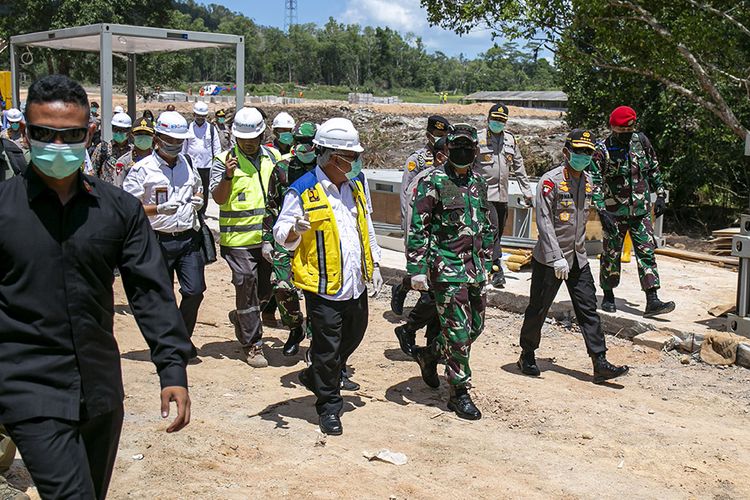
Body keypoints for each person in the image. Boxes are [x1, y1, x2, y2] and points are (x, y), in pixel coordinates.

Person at [0, 74, 191, 500]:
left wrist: (172, 367)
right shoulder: (3, 210)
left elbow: (150, 291)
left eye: (68, 135)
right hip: (28, 388)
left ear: (88, 133)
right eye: (43, 133)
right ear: (25, 133)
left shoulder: (118, 211)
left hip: (100, 388)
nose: (55, 144)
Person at [274, 117, 383, 435]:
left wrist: (374, 264)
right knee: (327, 345)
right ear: (334, 157)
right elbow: (281, 232)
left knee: (355, 332)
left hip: (353, 280)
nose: (356, 162)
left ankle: (317, 373)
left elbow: (367, 226)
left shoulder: (357, 184)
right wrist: (295, 228)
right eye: (352, 156)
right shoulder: (303, 189)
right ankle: (329, 406)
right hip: (322, 284)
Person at [517, 129, 629, 384]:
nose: (583, 156)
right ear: (566, 151)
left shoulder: (588, 181)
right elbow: (544, 221)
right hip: (550, 259)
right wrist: (556, 256)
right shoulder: (550, 181)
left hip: (578, 258)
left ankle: (599, 362)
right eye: (578, 151)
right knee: (538, 308)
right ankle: (527, 353)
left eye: (588, 152)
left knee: (588, 309)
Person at [407, 123, 492, 421]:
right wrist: (417, 269)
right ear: (447, 148)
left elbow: (486, 225)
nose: (463, 152)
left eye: (468, 148)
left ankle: (429, 354)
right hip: (447, 268)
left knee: (474, 329)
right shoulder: (433, 181)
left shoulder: (479, 183)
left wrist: (491, 261)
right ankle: (459, 392)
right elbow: (419, 226)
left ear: (475, 151)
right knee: (457, 333)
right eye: (457, 147)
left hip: (476, 270)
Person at [123, 111, 205, 359]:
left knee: (194, 291)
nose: (175, 145)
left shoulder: (188, 164)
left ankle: (181, 336)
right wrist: (156, 209)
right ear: (157, 138)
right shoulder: (142, 169)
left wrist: (198, 201)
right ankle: (172, 343)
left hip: (188, 238)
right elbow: (128, 207)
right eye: (170, 139)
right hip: (156, 239)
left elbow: (198, 189)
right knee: (162, 296)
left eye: (179, 141)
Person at [591, 106, 675, 317]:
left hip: (640, 210)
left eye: (629, 131)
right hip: (614, 213)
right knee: (611, 254)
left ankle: (652, 300)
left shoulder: (641, 142)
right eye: (622, 132)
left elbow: (654, 168)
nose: (626, 136)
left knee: (646, 252)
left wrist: (661, 194)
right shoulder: (603, 150)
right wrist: (602, 212)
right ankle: (608, 294)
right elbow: (596, 182)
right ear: (612, 128)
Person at [210, 107, 278, 368]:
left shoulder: (273, 157)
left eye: (252, 140)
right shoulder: (223, 160)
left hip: (267, 239)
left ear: (262, 136)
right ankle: (253, 344)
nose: (248, 145)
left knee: (267, 288)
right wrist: (228, 175)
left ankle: (242, 317)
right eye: (243, 140)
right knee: (246, 283)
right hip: (237, 242)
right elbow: (219, 198)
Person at [262, 122, 318, 358]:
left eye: (308, 144)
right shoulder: (282, 168)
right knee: (282, 285)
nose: (303, 148)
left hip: (316, 241)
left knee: (317, 292)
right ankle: (295, 327)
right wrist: (267, 240)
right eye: (298, 143)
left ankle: (317, 342)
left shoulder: (326, 171)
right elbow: (271, 206)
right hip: (287, 237)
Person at [393, 134, 449, 358]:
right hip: (429, 250)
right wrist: (415, 252)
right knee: (432, 296)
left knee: (440, 300)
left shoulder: (455, 179)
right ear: (439, 156)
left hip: (448, 252)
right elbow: (412, 218)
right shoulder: (424, 179)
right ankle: (408, 329)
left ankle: (432, 346)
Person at [475, 103, 533, 289]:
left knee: (496, 234)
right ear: (488, 119)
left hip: (501, 195)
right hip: (483, 195)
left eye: (502, 121)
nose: (498, 123)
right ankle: (496, 270)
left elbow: (519, 167)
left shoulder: (510, 140)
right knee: (492, 230)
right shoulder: (478, 139)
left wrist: (527, 192)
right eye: (495, 120)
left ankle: (484, 264)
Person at [182, 101, 222, 219]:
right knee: (190, 187)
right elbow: (184, 146)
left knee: (204, 188)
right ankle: (190, 209)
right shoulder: (188, 128)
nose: (200, 118)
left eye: (202, 116)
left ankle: (202, 212)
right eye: (198, 115)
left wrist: (217, 163)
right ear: (194, 114)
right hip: (191, 165)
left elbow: (216, 146)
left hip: (207, 165)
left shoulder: (211, 129)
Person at [87, 111, 133, 186]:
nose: (118, 133)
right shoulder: (103, 148)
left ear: (129, 131)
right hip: (106, 193)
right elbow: (93, 172)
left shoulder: (132, 151)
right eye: (115, 129)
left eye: (122, 130)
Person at [115, 116, 155, 186]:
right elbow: (118, 188)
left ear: (153, 136)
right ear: (132, 135)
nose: (143, 137)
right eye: (139, 134)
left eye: (147, 134)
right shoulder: (123, 162)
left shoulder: (159, 160)